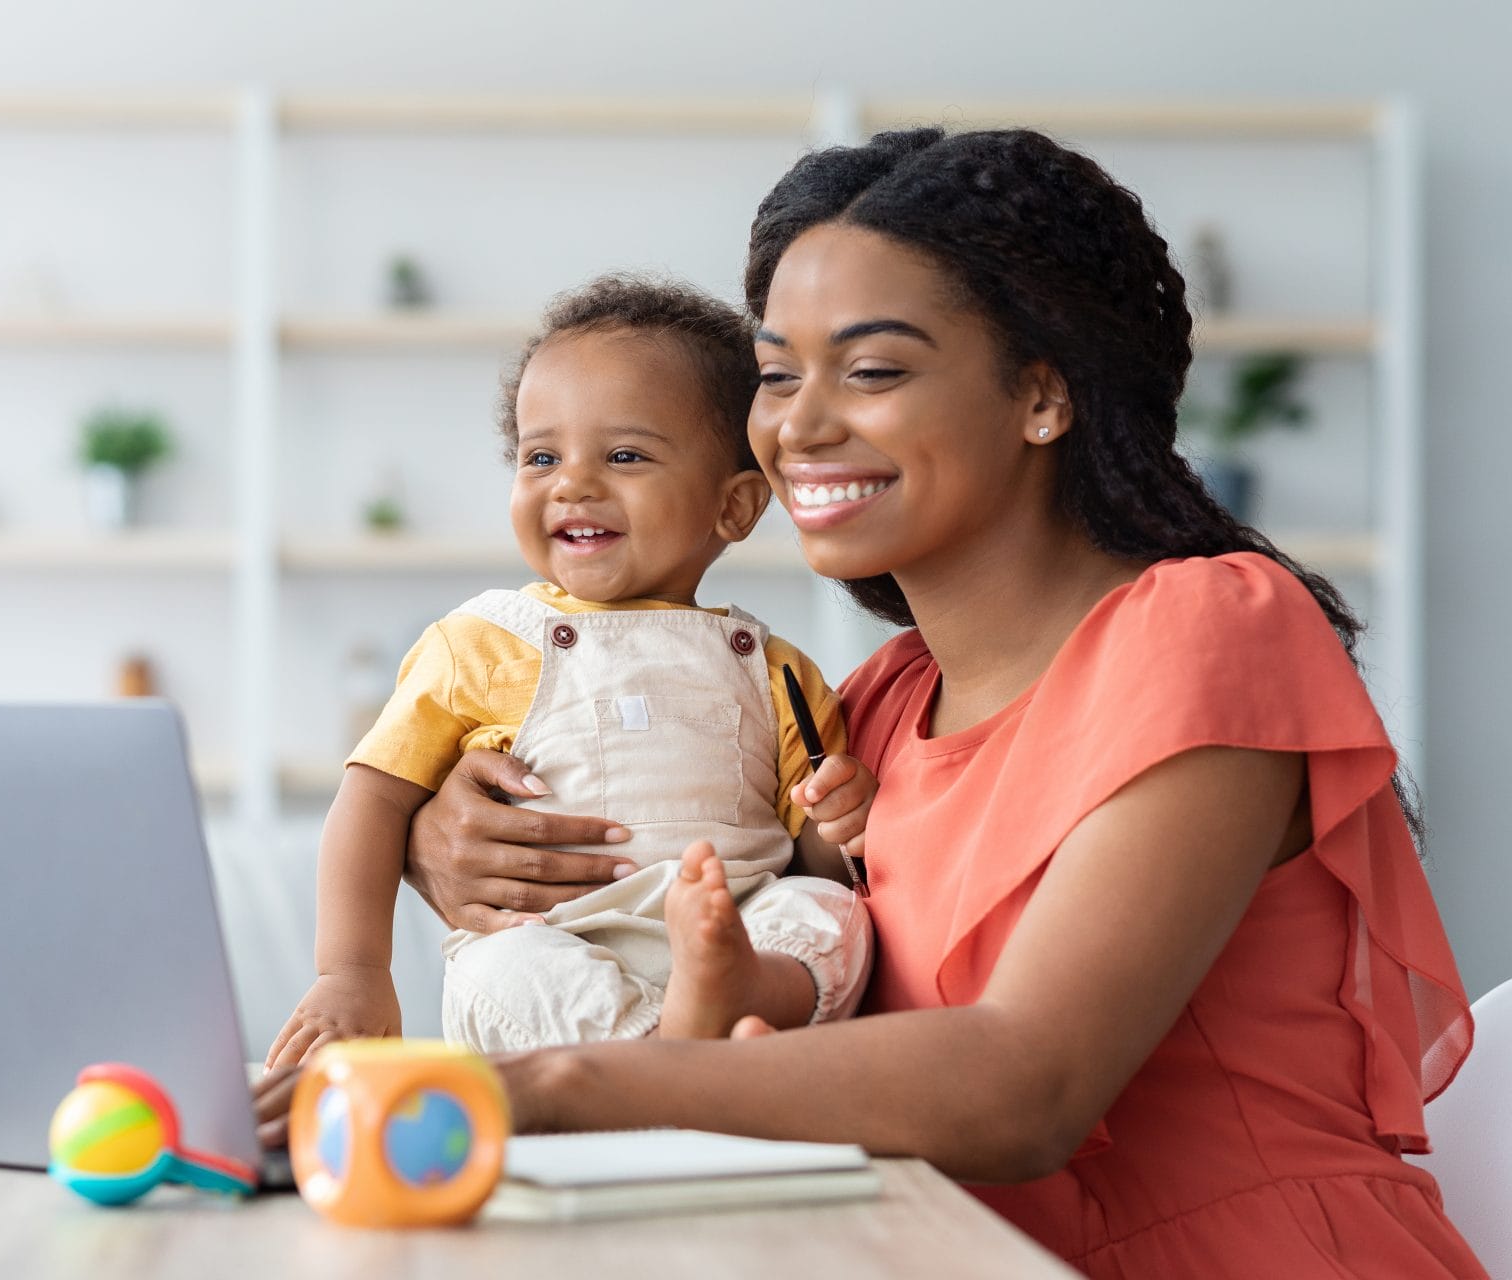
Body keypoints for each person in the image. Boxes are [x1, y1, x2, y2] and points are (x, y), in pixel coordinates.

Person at [262, 128, 1484, 1278]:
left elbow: (1024, 1083)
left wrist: (553, 1082)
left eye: (875, 370)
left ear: (1042, 397)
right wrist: (440, 833)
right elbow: (710, 906)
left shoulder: (1211, 627)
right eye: (776, 374)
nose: (800, 425)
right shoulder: (877, 710)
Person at [265, 276, 876, 1070]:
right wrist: (351, 971)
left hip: (732, 931)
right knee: (499, 970)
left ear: (734, 507)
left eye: (624, 455)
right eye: (540, 456)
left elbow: (813, 861)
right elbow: (372, 798)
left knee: (831, 914)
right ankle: (664, 1059)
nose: (571, 483)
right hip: (559, 948)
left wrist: (840, 826)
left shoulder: (778, 673)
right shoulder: (481, 643)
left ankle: (724, 1000)